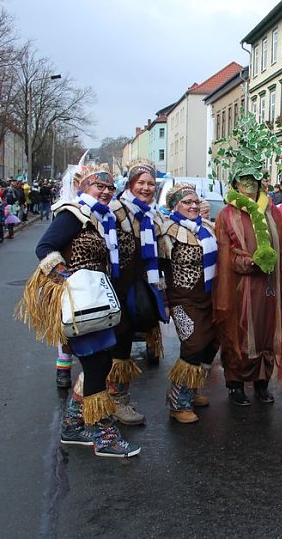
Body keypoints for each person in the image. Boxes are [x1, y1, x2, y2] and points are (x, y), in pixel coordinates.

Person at [21, 162, 140, 458]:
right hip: (83, 305)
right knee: (98, 367)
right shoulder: (73, 213)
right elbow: (44, 248)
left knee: (97, 365)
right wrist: (67, 279)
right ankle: (104, 435)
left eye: (110, 187)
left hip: (99, 304)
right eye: (99, 185)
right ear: (83, 187)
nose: (106, 191)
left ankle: (73, 426)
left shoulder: (102, 219)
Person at [213, 164, 282, 406]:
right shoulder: (227, 214)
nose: (248, 187)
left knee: (266, 331)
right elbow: (224, 251)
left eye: (253, 182)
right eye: (243, 182)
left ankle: (262, 383)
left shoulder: (272, 211)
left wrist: (274, 262)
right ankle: (235, 384)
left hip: (269, 285)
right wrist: (248, 262)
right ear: (235, 184)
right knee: (238, 332)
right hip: (240, 285)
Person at [157, 183, 220, 423]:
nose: (193, 206)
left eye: (195, 202)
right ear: (175, 206)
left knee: (211, 343)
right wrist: (162, 299)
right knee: (193, 344)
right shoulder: (166, 231)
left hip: (208, 297)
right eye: (187, 202)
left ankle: (191, 391)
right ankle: (177, 402)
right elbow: (157, 267)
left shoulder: (207, 229)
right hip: (183, 300)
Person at [114, 160, 168, 425]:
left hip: (140, 287)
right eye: (141, 183)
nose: (146, 188)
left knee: (122, 346)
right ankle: (111, 404)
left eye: (150, 183)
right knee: (115, 348)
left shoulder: (153, 214)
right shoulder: (116, 211)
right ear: (130, 185)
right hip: (117, 289)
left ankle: (117, 399)